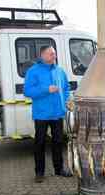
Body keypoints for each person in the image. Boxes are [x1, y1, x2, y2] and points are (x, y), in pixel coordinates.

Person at [24, 46, 72, 183]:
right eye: (51, 54)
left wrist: (67, 100)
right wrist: (46, 89)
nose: (54, 56)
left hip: (58, 113)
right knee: (39, 143)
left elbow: (66, 88)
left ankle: (59, 169)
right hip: (41, 114)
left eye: (55, 54)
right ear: (43, 55)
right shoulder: (33, 71)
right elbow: (27, 91)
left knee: (58, 142)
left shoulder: (60, 71)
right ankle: (39, 172)